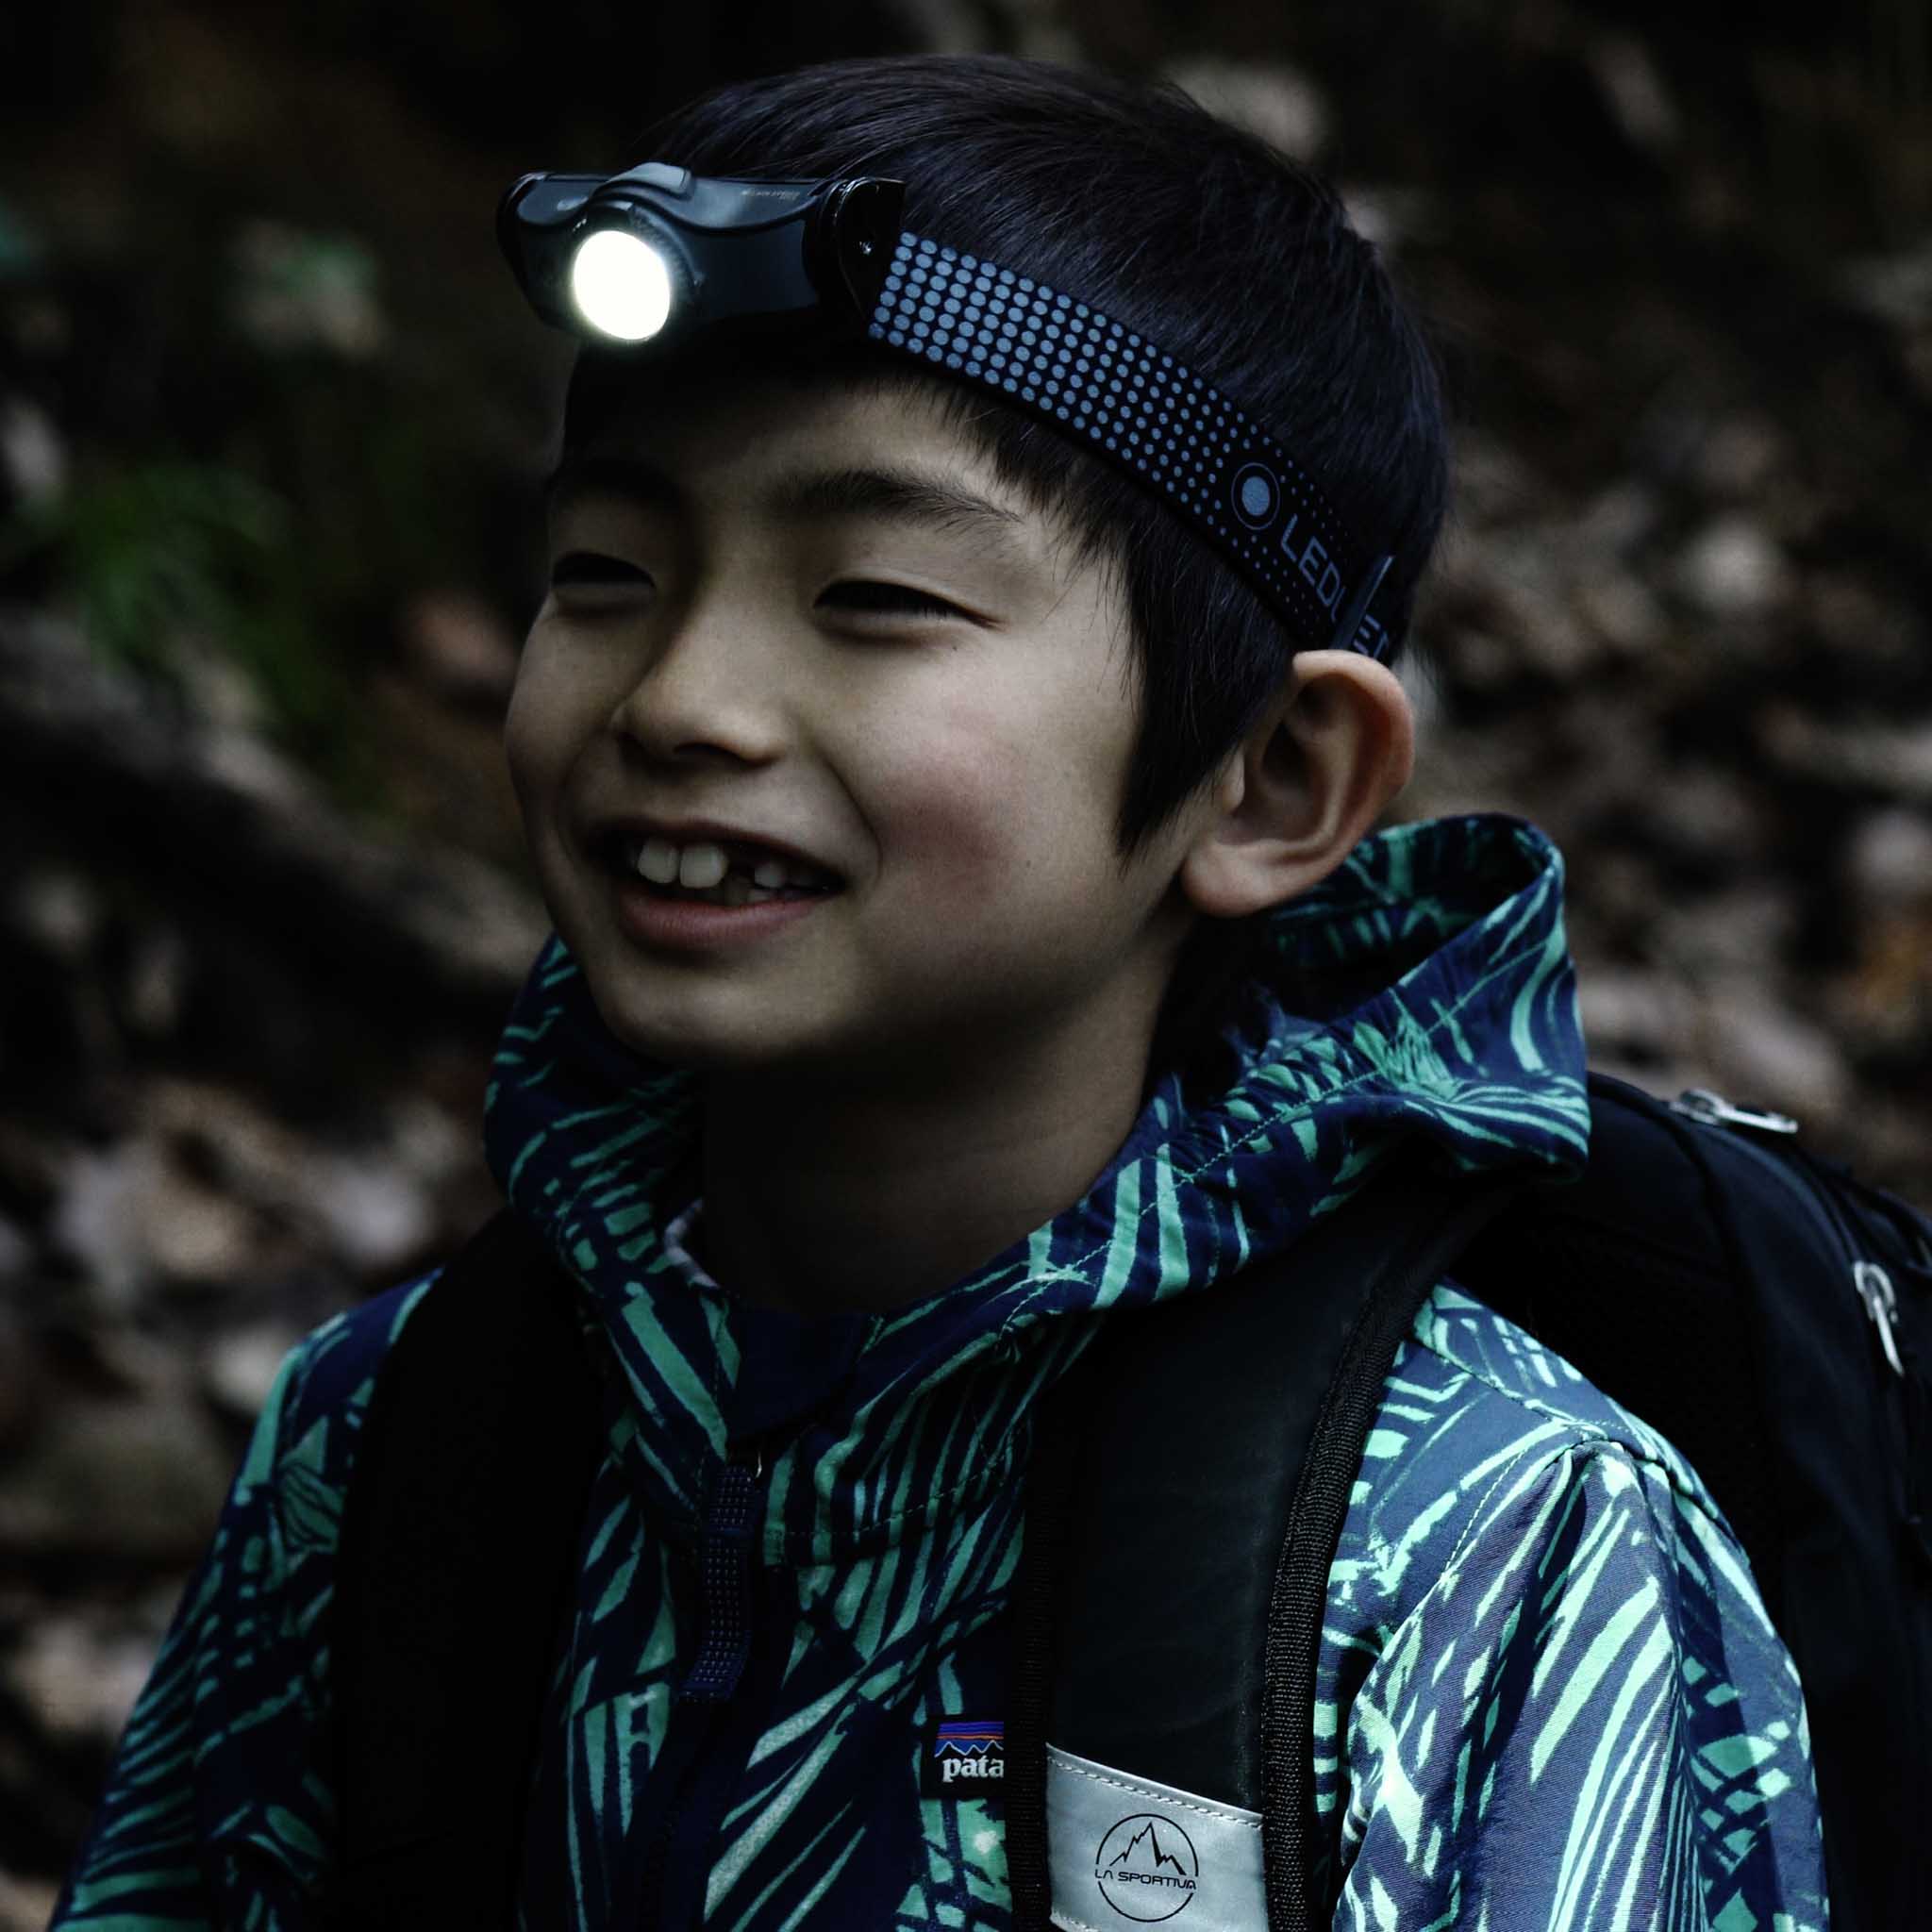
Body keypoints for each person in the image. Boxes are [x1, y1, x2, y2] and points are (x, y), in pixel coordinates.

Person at [51, 52, 1827, 1930]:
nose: (681, 700)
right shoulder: (402, 1445)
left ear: (1270, 778)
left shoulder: (1476, 1546)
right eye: (603, 570)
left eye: (876, 594)